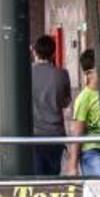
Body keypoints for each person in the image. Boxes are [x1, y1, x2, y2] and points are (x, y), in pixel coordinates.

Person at [64, 49, 100, 177]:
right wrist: (73, 165)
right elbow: (78, 132)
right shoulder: (84, 98)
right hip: (91, 148)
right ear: (88, 73)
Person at [31, 35, 71, 176]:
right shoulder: (62, 74)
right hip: (55, 134)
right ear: (53, 53)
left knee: (37, 177)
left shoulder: (26, 74)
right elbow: (66, 102)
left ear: (34, 52)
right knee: (53, 175)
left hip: (34, 134)